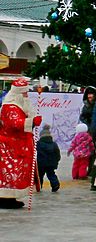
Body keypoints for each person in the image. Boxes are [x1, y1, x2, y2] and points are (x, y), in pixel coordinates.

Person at [0, 77, 42, 208]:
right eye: (24, 93)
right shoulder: (10, 106)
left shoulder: (19, 105)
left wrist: (33, 120)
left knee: (15, 174)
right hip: (10, 147)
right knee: (10, 174)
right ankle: (5, 198)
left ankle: (11, 197)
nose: (26, 95)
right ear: (18, 93)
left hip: (17, 146)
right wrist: (31, 122)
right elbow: (14, 124)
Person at [35, 124, 60, 193]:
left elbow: (33, 152)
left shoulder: (38, 144)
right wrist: (56, 161)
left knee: (40, 176)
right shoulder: (54, 144)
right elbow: (58, 154)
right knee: (51, 174)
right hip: (51, 164)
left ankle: (39, 187)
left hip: (41, 164)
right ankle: (55, 185)